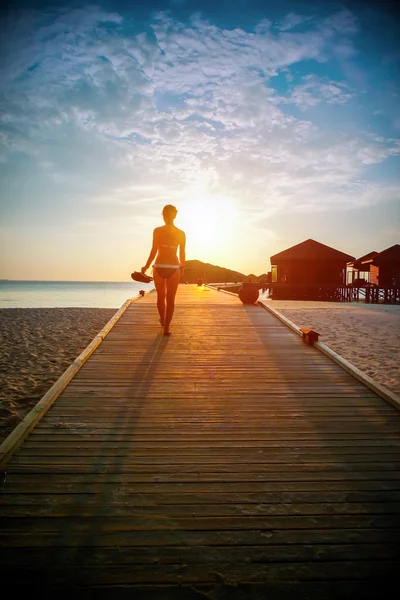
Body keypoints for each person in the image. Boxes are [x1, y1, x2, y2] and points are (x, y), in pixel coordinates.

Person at [141, 205, 186, 336]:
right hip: (172, 267)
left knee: (162, 297)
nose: (166, 217)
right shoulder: (180, 233)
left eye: (166, 214)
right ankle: (166, 327)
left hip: (160, 266)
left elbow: (154, 250)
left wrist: (146, 266)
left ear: (164, 215)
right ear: (175, 215)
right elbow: (182, 253)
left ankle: (163, 322)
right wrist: (182, 267)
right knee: (170, 299)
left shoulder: (158, 231)